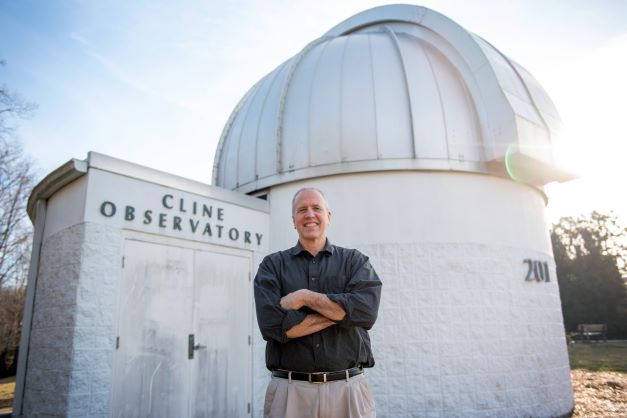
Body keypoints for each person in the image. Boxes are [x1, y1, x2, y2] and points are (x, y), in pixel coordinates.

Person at [254, 187, 383, 418]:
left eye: (316, 208)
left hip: (348, 391)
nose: (309, 214)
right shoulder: (272, 266)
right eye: (302, 210)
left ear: (328, 216)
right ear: (293, 220)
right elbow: (272, 326)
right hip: (290, 394)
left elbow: (366, 313)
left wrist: (304, 297)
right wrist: (342, 313)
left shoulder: (355, 262)